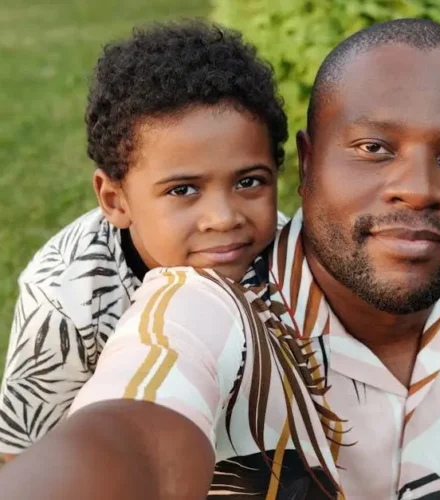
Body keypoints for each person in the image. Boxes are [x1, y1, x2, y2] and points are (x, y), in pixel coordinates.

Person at [0, 19, 440, 499]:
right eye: (373, 147)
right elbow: (134, 436)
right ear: (310, 164)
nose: (419, 189)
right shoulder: (196, 298)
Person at [0, 21, 289, 461]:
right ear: (115, 200)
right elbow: (21, 450)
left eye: (249, 181)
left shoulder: (293, 263)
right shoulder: (65, 297)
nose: (224, 218)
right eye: (183, 190)